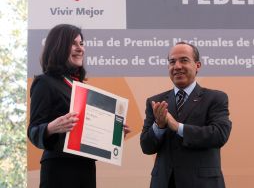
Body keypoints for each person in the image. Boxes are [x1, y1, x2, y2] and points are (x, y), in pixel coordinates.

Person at [27, 24, 130, 188]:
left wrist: (113, 135)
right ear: (58, 46)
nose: (80, 48)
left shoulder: (80, 87)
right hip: (59, 171)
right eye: (73, 43)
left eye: (81, 43)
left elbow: (87, 136)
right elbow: (33, 131)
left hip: (85, 169)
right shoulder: (45, 82)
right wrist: (51, 128)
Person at [140, 42, 232, 188]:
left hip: (203, 183)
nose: (177, 66)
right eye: (172, 62)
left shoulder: (215, 98)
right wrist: (159, 126)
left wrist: (178, 127)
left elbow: (219, 135)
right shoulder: (155, 102)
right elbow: (146, 147)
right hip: (165, 182)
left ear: (197, 65)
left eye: (184, 60)